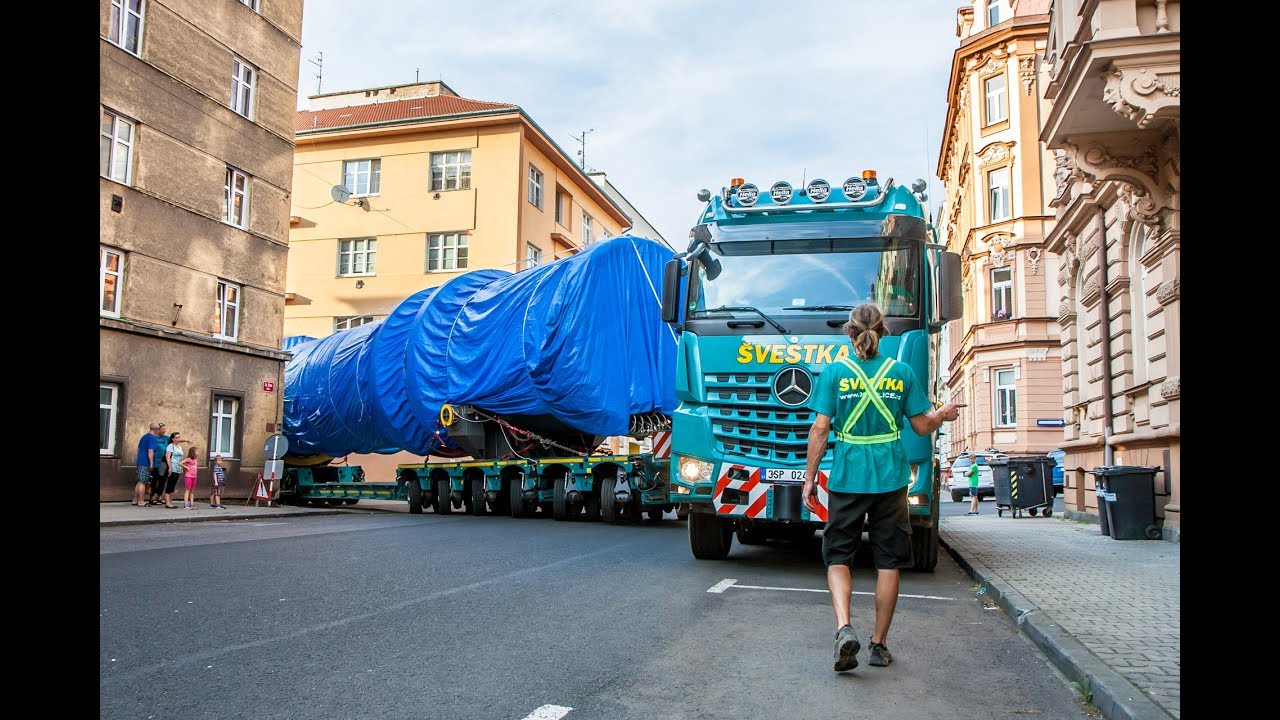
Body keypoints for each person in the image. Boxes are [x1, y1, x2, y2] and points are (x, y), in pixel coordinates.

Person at [802, 303, 961, 672]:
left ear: (850, 333)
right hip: (891, 478)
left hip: (847, 476)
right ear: (884, 331)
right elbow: (922, 427)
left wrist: (809, 479)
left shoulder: (835, 373)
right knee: (888, 562)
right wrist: (943, 415)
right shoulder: (902, 372)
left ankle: (844, 628)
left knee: (838, 556)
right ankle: (878, 645)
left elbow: (821, 429)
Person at [133, 422, 164, 507]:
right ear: (156, 430)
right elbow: (150, 451)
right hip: (146, 462)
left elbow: (138, 449)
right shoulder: (152, 438)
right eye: (159, 429)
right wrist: (151, 463)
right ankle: (141, 501)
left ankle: (135, 500)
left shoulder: (144, 437)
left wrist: (139, 457)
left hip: (140, 460)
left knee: (139, 481)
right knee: (143, 482)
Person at [161, 432, 188, 509]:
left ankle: (170, 501)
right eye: (176, 438)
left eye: (179, 437)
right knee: (169, 485)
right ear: (172, 439)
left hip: (178, 468)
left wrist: (181, 467)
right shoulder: (170, 446)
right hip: (172, 467)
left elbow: (181, 459)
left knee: (173, 485)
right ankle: (167, 503)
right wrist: (170, 467)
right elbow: (168, 457)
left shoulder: (179, 447)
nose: (178, 439)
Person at [147, 422, 168, 505]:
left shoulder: (166, 438)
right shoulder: (153, 438)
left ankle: (159, 497)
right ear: (158, 430)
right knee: (154, 481)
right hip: (155, 462)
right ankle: (151, 498)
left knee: (162, 480)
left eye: (165, 429)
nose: (164, 431)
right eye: (162, 429)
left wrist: (185, 440)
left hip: (163, 463)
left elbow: (175, 439)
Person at [181, 445, 200, 510]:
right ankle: (186, 505)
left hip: (194, 476)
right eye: (197, 451)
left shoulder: (196, 459)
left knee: (192, 491)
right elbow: (180, 463)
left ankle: (191, 504)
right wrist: (186, 467)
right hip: (188, 476)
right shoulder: (188, 459)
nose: (198, 452)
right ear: (193, 452)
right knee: (187, 490)